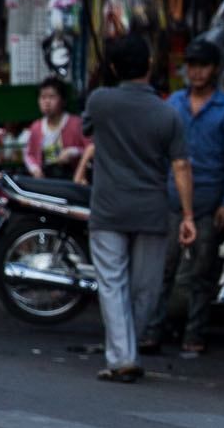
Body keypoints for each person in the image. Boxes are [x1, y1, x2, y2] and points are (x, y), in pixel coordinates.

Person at [77, 34, 195, 383]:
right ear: (149, 66)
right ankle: (129, 351)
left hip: (108, 209)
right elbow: (181, 167)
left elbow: (88, 130)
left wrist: (104, 77)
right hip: (151, 211)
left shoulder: (100, 101)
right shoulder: (167, 112)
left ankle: (122, 355)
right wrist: (188, 215)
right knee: (145, 287)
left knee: (112, 284)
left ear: (113, 67)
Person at [143, 37, 224, 356]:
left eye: (203, 66)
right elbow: (158, 151)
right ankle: (152, 332)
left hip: (209, 202)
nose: (197, 72)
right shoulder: (173, 103)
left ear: (214, 69)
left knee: (202, 273)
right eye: (192, 66)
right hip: (172, 199)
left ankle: (195, 334)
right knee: (163, 270)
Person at [24, 76, 89, 179]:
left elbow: (90, 148)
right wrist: (35, 169)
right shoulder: (36, 127)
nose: (47, 102)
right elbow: (29, 154)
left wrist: (73, 152)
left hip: (72, 180)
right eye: (43, 97)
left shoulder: (76, 123)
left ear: (63, 100)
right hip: (45, 180)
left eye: (52, 97)